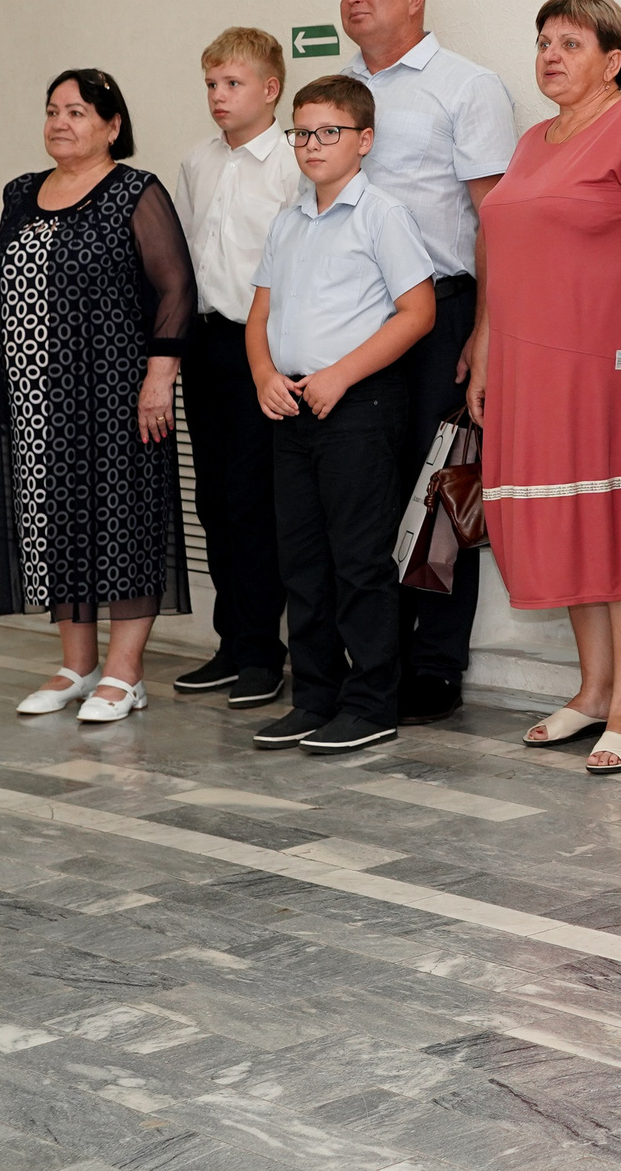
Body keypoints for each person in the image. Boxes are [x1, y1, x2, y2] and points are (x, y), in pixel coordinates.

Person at [468, 0, 621, 775]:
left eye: (572, 43)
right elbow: (505, 258)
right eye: (543, 42)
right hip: (528, 365)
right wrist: (486, 349)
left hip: (607, 362)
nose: (551, 55)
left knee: (617, 527)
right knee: (568, 523)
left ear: (613, 59)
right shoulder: (528, 141)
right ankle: (592, 691)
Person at [337, 0, 518, 724]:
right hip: (353, 318)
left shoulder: (465, 87)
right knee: (364, 493)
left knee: (444, 488)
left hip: (442, 311)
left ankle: (437, 665)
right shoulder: (339, 96)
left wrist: (485, 329)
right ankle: (374, 659)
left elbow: (496, 222)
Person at [0, 69, 194, 726]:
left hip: (117, 392)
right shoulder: (20, 193)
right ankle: (77, 665)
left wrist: (159, 376)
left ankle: (126, 674)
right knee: (56, 519)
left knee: (125, 521)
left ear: (112, 125)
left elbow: (176, 288)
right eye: (52, 111)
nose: (60, 123)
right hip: (37, 394)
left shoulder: (136, 190)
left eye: (76, 111)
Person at [244, 75, 438, 756]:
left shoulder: (380, 214)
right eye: (302, 131)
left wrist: (339, 376)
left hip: (357, 406)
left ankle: (372, 701)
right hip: (291, 408)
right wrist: (266, 374)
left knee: (359, 562)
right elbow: (259, 314)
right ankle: (316, 696)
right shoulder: (289, 218)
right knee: (302, 562)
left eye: (329, 131)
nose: (312, 144)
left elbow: (419, 314)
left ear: (364, 140)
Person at [172, 28, 303, 711]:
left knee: (256, 501)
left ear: (270, 89)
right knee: (216, 500)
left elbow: (291, 264)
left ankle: (263, 650)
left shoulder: (288, 163)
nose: (219, 97)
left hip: (264, 350)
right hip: (207, 345)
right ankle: (232, 642)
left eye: (232, 84)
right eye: (211, 85)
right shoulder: (198, 163)